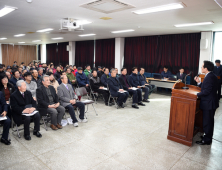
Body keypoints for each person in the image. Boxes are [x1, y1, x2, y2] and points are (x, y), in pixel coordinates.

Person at [194, 61, 219, 145]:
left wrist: (195, 95)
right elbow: (206, 88)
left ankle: (207, 140)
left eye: (202, 67)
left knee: (207, 122)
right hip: (211, 102)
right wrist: (199, 82)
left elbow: (207, 91)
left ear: (206, 68)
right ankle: (207, 136)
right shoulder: (210, 76)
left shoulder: (209, 77)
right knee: (208, 121)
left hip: (209, 103)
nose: (201, 68)